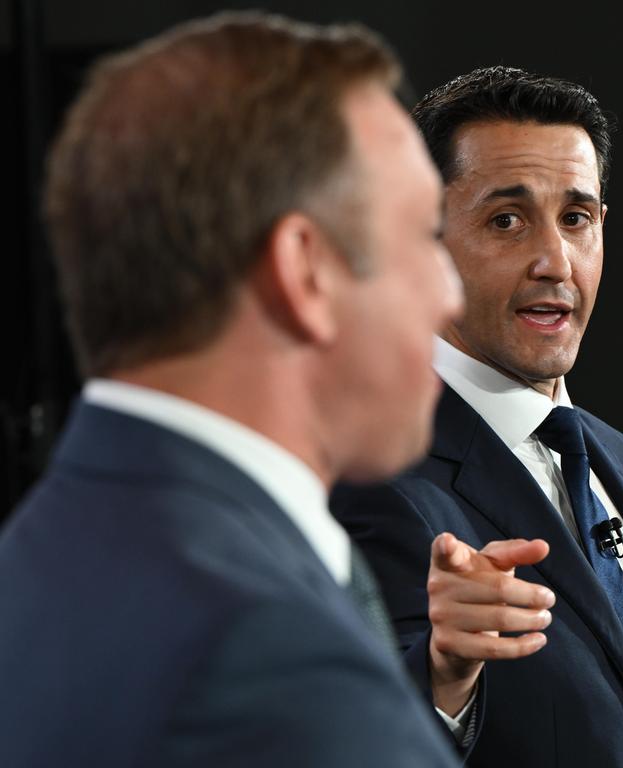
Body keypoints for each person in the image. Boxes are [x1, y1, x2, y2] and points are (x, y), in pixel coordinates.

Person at [0, 11, 473, 767]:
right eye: (423, 236)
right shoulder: (281, 661)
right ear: (305, 270)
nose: (449, 295)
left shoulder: (38, 553)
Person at [332, 66, 623, 767]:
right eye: (507, 220)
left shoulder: (622, 462)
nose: (554, 261)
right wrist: (445, 676)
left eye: (576, 218)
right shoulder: (365, 473)